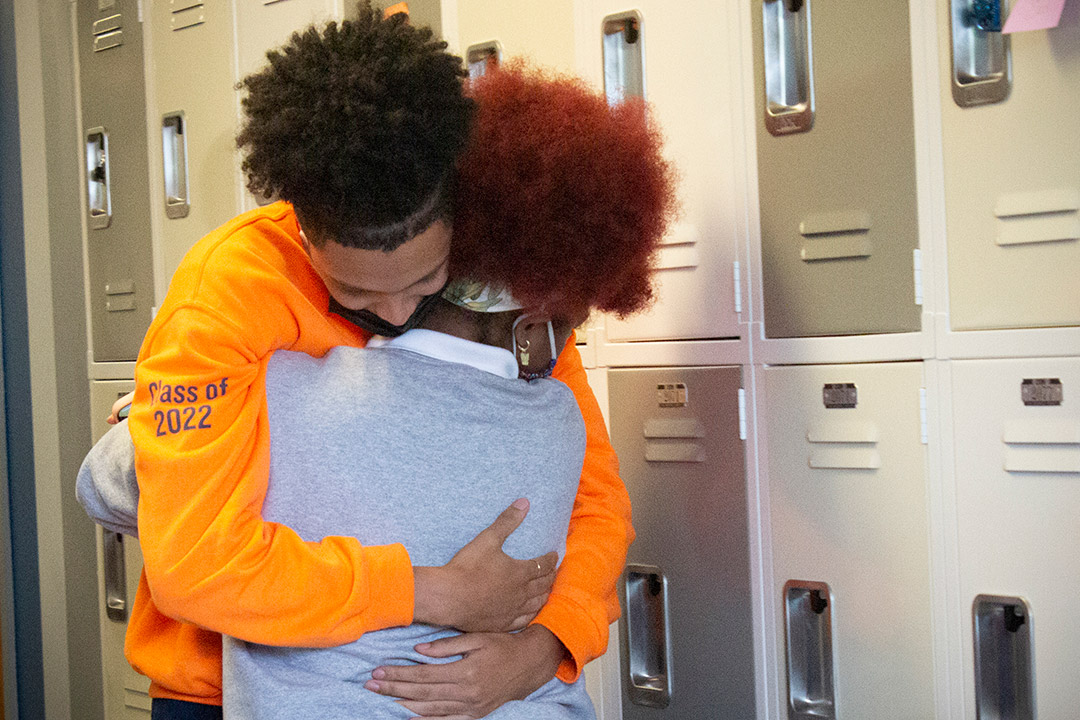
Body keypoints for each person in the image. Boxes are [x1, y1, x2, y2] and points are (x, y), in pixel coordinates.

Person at [102, 7, 657, 719]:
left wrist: (545, 646)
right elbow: (195, 564)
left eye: (426, 287)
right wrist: (429, 590)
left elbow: (593, 497)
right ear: (304, 231)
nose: (394, 315)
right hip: (218, 689)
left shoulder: (495, 285)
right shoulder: (224, 295)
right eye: (355, 291)